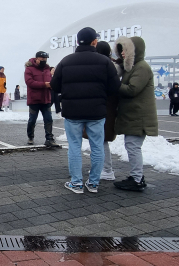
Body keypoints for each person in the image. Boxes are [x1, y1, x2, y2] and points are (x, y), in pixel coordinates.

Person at [51, 30, 120, 193]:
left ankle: (76, 183)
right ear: (94, 42)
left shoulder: (66, 61)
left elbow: (54, 85)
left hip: (72, 112)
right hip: (96, 112)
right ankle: (94, 183)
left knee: (74, 146)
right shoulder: (105, 62)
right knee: (97, 147)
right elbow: (115, 87)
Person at [112, 35, 158, 191]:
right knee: (131, 146)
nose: (122, 54)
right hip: (134, 116)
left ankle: (137, 179)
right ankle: (136, 176)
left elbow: (132, 90)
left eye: (125, 50)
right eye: (121, 51)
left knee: (133, 146)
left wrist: (114, 83)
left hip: (139, 116)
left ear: (134, 50)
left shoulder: (142, 67)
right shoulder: (133, 67)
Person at [81, 41, 120, 182]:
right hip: (105, 106)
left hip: (103, 107)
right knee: (99, 140)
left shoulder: (107, 66)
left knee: (100, 140)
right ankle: (102, 168)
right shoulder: (111, 65)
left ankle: (106, 170)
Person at [24, 51, 57, 146]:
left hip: (46, 99)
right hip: (34, 100)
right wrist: (44, 85)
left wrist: (52, 85)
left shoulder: (47, 69)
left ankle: (49, 138)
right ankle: (30, 137)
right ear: (36, 59)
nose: (44, 61)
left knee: (48, 119)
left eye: (45, 60)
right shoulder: (29, 69)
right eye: (42, 60)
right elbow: (29, 82)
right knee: (32, 120)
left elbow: (50, 81)